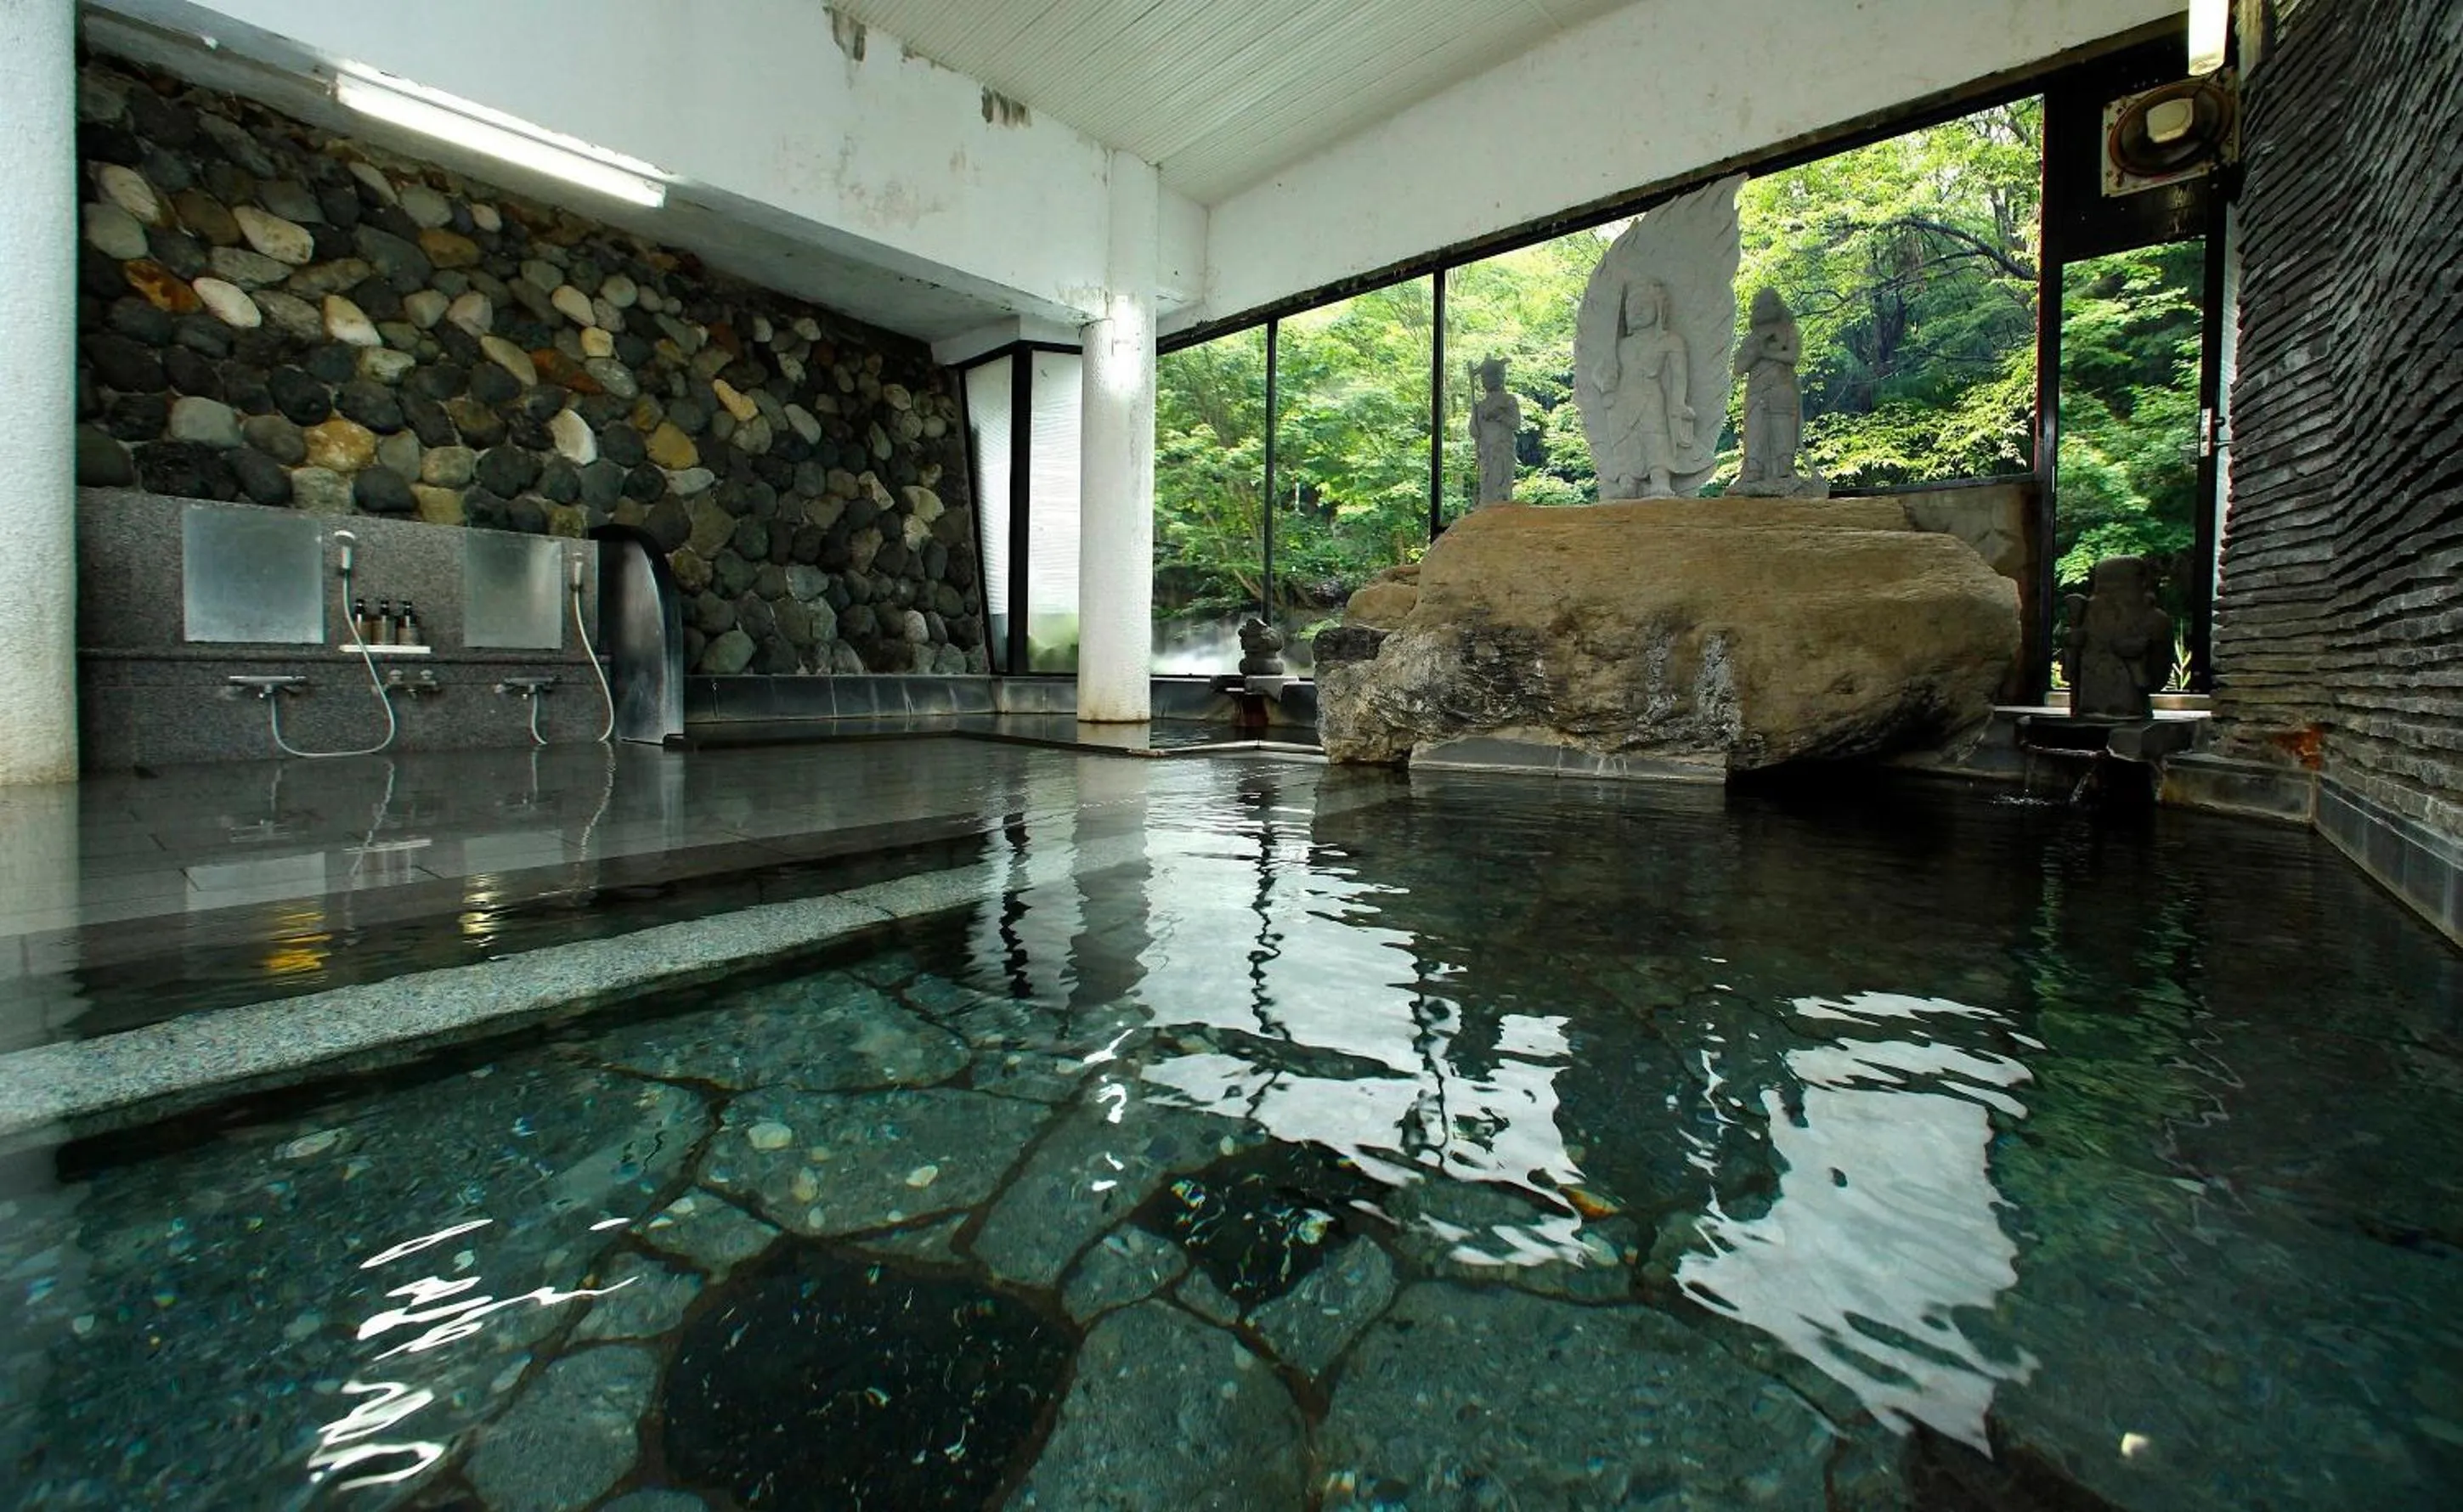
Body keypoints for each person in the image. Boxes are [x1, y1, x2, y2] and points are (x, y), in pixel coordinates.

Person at [1589, 279, 1693, 498]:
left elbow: (1679, 376)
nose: (1635, 311)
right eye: (1630, 308)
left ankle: (1660, 478)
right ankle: (1628, 481)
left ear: (1658, 309)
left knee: (1655, 434)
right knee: (1624, 438)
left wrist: (1679, 402)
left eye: (1643, 306)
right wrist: (1604, 384)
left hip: (1650, 395)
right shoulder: (1620, 345)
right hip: (1621, 400)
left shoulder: (1670, 341)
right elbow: (1598, 371)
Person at [1467, 357, 1522, 505]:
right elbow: (1474, 431)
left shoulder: (1509, 400)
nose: (1488, 380)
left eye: (1492, 375)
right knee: (1487, 483)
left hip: (1502, 450)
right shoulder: (1480, 405)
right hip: (1486, 451)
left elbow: (1516, 424)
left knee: (1502, 484)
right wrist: (1475, 421)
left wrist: (1499, 415)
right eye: (1485, 376)